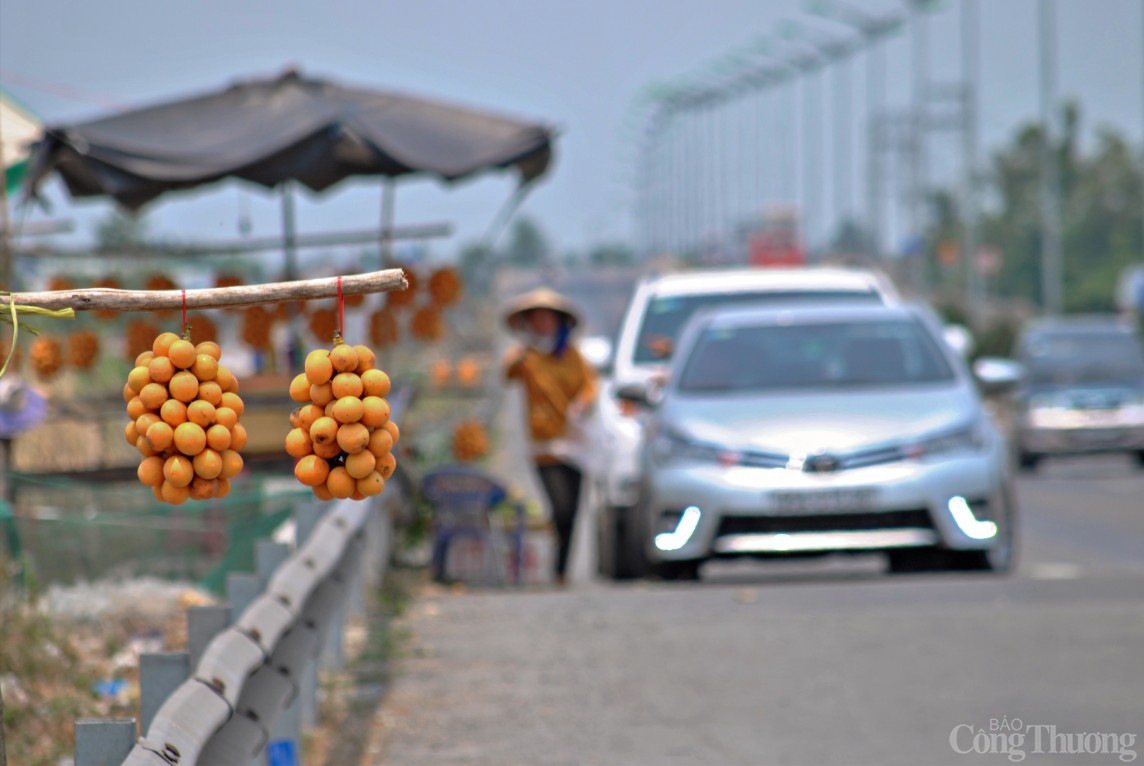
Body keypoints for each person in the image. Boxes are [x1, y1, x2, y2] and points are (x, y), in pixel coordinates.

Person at [501, 287, 598, 586]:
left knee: (573, 511)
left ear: (559, 322)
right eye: (537, 319)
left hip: (575, 442)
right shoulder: (525, 357)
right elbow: (507, 374)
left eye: (548, 319)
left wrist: (584, 402)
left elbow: (590, 386)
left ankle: (561, 571)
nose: (543, 325)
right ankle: (557, 566)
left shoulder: (573, 356)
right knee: (560, 506)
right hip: (543, 444)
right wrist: (520, 353)